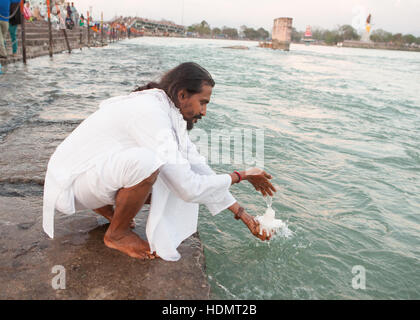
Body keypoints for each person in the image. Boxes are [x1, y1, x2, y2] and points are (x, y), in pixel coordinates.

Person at [42, 62, 276, 261]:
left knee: (171, 174)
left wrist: (245, 216)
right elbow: (188, 188)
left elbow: (199, 169)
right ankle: (116, 234)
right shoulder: (151, 112)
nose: (204, 112)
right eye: (202, 102)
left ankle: (107, 209)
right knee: (149, 164)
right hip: (70, 184)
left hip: (87, 175)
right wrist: (240, 176)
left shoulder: (167, 111)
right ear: (182, 95)